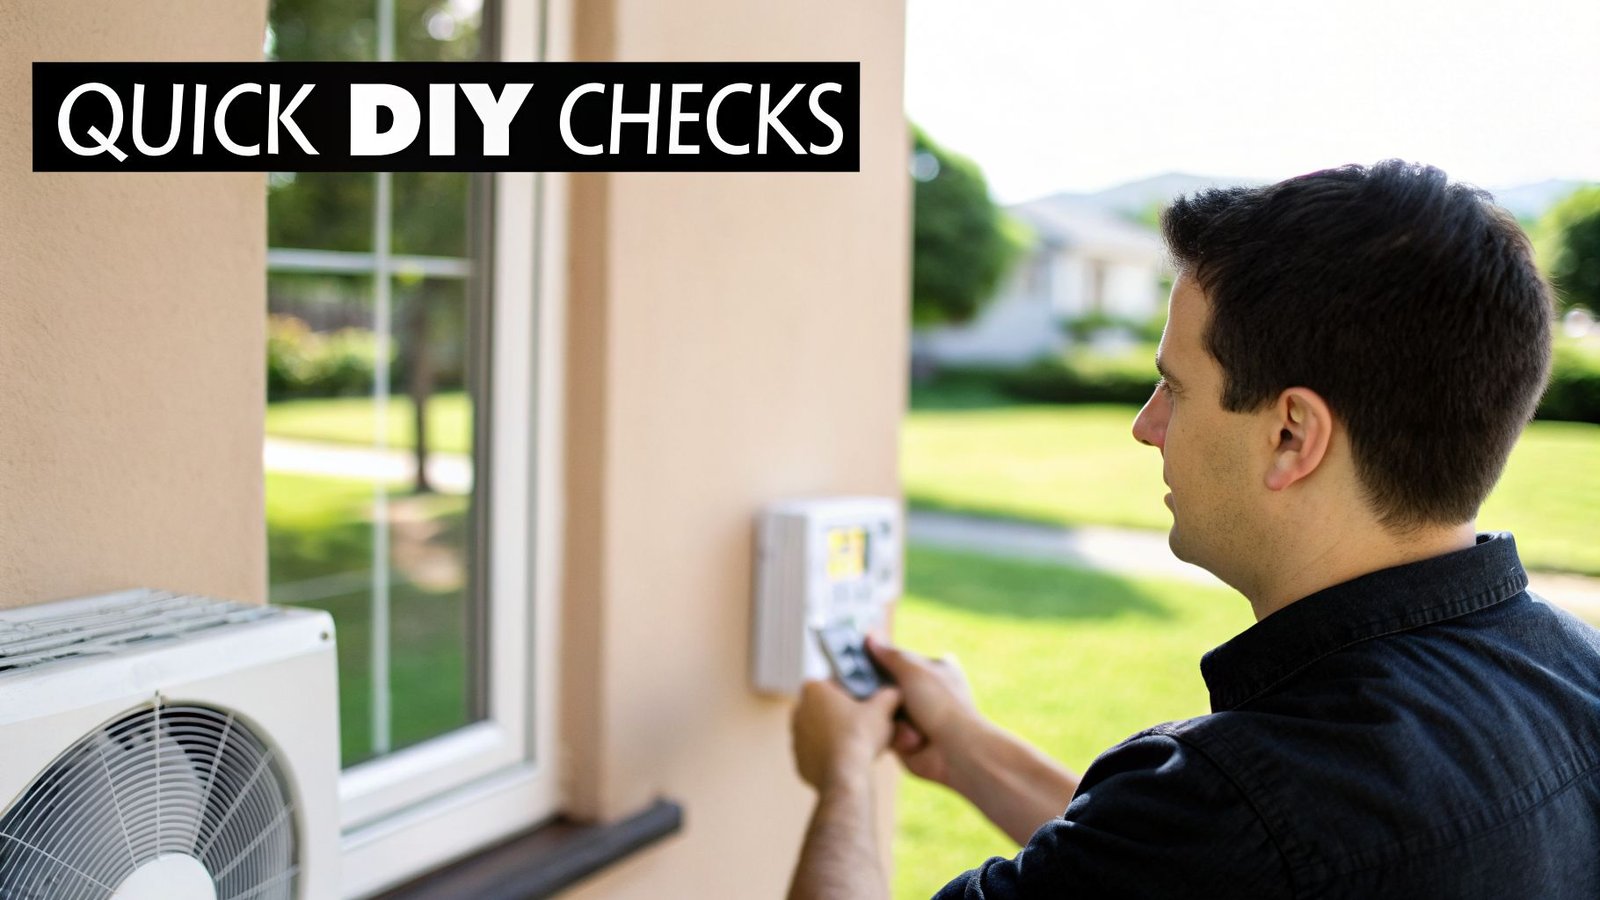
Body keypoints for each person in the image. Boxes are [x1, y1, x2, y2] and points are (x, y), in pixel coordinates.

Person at [787, 160, 1600, 899]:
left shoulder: (1241, 802)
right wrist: (967, 746)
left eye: (1174, 389)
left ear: (1292, 435)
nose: (1147, 427)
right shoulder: (1575, 672)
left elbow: (1217, 842)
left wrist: (845, 772)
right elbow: (1164, 868)